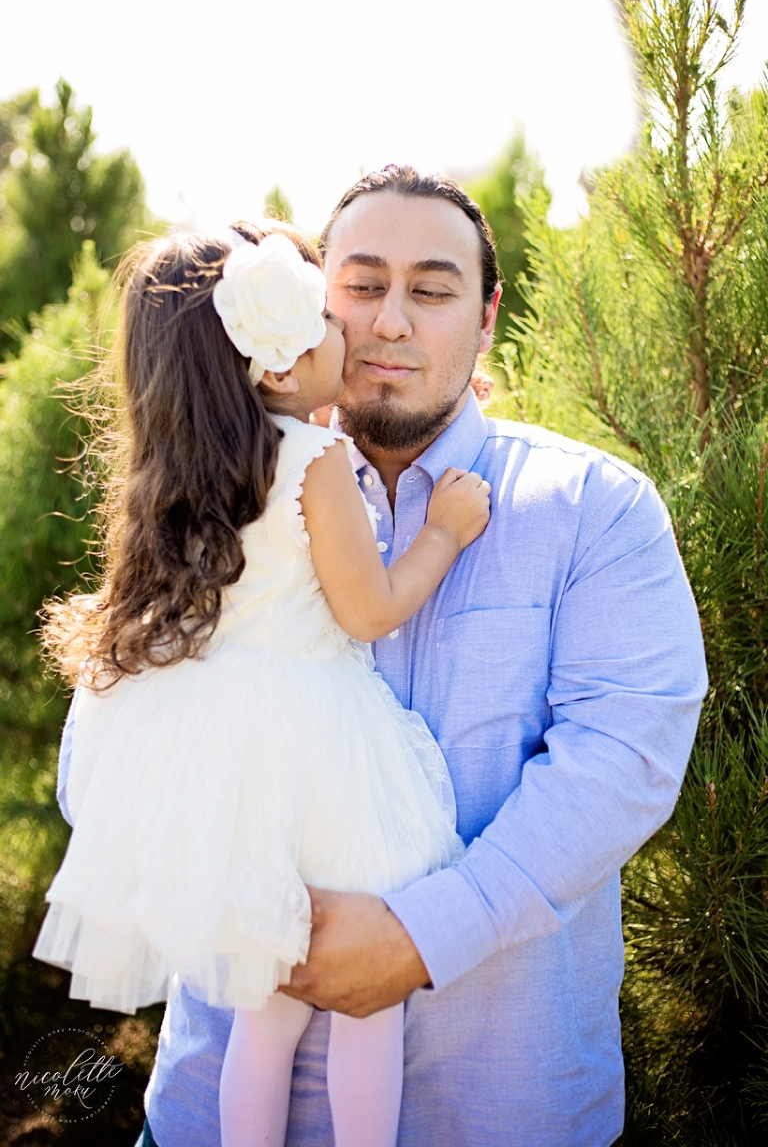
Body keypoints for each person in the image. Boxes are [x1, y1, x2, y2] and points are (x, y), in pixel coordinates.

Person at [57, 167, 707, 1147]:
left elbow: (623, 764)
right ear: (305, 312)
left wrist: (420, 936)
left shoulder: (596, 511)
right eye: (360, 287)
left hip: (494, 1119)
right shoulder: (217, 499)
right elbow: (111, 762)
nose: (392, 322)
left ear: (486, 319)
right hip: (202, 1115)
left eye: (433, 290)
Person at [35, 221, 494, 1147]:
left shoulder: (190, 475)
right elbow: (367, 611)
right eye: (329, 323)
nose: (355, 341)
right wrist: (443, 531)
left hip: (234, 777)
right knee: (367, 1012)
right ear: (279, 364)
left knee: (266, 1013)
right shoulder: (318, 465)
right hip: (322, 756)